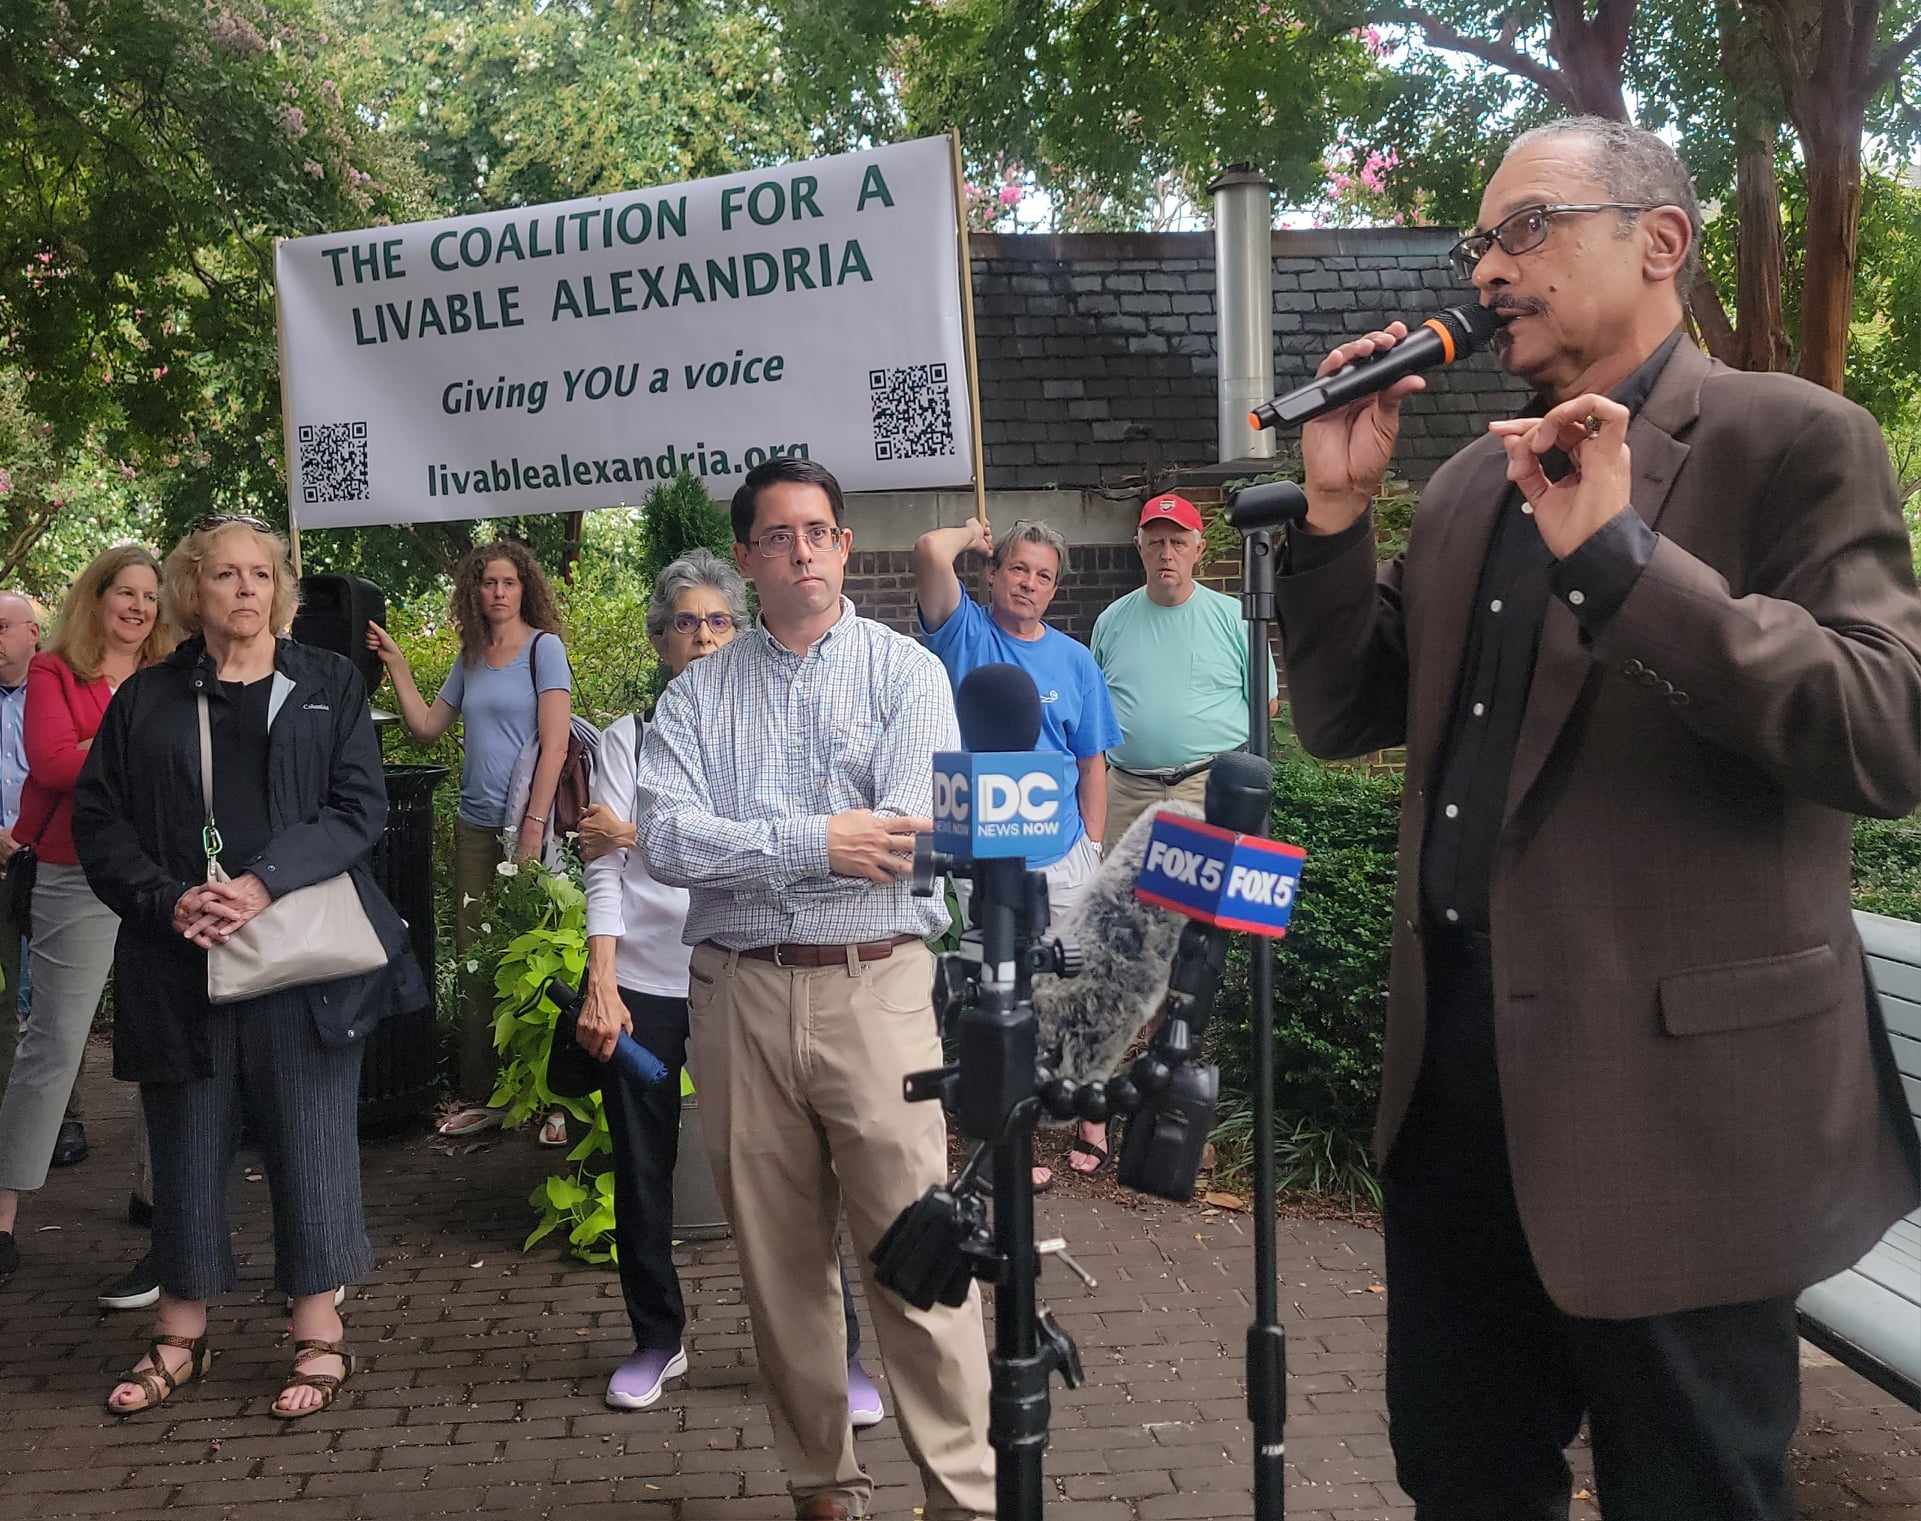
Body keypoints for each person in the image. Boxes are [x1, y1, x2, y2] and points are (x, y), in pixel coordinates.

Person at [1279, 117, 1921, 1519]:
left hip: (1677, 1128)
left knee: (1691, 1490)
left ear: (1661, 240)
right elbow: (1340, 714)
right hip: (1457, 1111)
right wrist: (1335, 515)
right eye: (1479, 244)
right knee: (1459, 1477)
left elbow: (1885, 731)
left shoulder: (1792, 441)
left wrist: (1629, 563)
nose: (1490, 270)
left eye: (1525, 231)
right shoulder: (1462, 491)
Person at [634, 458, 993, 1521]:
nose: (804, 551)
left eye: (821, 532)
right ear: (746, 558)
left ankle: (962, 1498)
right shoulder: (695, 694)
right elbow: (662, 836)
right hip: (737, 998)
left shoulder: (903, 672)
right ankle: (821, 1488)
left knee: (915, 1257)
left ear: (845, 546)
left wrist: (761, 846)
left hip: (874, 988)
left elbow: (893, 840)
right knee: (780, 1272)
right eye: (780, 535)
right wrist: (809, 840)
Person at [74, 515, 424, 1419]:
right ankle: (178, 1335)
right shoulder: (146, 697)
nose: (242, 589)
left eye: (259, 575)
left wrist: (262, 883)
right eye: (224, 574)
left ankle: (318, 1334)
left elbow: (358, 808)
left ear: (281, 589)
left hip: (300, 956)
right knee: (187, 1141)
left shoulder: (329, 683)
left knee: (309, 1136)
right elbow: (98, 823)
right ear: (196, 589)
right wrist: (167, 897)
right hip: (178, 954)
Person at [574, 548, 884, 1426]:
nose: (702, 636)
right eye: (684, 623)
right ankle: (655, 1337)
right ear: (659, 640)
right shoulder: (627, 737)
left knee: (789, 1170)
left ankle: (836, 1351)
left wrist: (645, 829)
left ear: (739, 630)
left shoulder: (764, 728)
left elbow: (755, 842)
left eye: (718, 620)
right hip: (642, 979)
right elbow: (607, 870)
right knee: (640, 1172)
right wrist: (601, 977)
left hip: (738, 969)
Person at [913, 516, 1120, 1183]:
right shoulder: (963, 633)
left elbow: (1091, 760)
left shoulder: (1075, 660)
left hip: (1061, 853)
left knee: (1079, 987)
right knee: (1002, 995)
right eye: (1016, 567)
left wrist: (1090, 843)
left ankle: (1090, 1113)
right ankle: (1016, 1135)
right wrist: (969, 533)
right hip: (984, 853)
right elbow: (925, 552)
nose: (1028, 582)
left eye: (1043, 574)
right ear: (993, 572)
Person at [0, 549, 174, 1302]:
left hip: (159, 876)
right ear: (96, 598)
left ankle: (154, 1191)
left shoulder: (170, 670)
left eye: (148, 596)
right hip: (72, 871)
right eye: (124, 593)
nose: (137, 606)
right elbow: (48, 761)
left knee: (163, 1037)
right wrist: (141, 760)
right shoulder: (54, 670)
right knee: (56, 1043)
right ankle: (2, 1214)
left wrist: (103, 759)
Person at [367, 540, 574, 1139]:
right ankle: (487, 1094)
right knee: (476, 959)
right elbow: (427, 730)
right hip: (475, 828)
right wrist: (400, 667)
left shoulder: (545, 650)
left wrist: (533, 828)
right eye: (488, 583)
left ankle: (548, 1096)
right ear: (474, 592)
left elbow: (555, 746)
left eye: (509, 582)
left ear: (525, 587)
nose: (499, 592)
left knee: (537, 957)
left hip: (527, 830)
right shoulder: (471, 657)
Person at [1091, 492, 1277, 850]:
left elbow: (1266, 706)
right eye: (1156, 542)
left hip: (1207, 790)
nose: (1166, 553)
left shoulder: (1235, 619)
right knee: (1120, 902)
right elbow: (1094, 711)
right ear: (1138, 547)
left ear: (1199, 549)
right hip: (1128, 794)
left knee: (1206, 903)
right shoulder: (1110, 621)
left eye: (1178, 542)